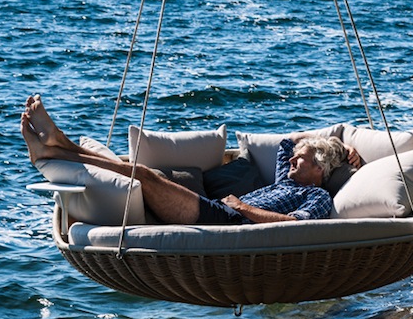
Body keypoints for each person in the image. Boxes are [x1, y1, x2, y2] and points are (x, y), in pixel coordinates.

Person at [21, 95, 359, 226]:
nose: (291, 163)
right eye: (294, 160)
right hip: (216, 208)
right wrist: (341, 146)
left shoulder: (316, 196)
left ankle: (56, 147)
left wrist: (244, 209)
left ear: (320, 170)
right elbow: (288, 141)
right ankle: (58, 145)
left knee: (144, 176)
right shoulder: (288, 178)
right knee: (146, 176)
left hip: (229, 220)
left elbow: (297, 226)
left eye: (301, 162)